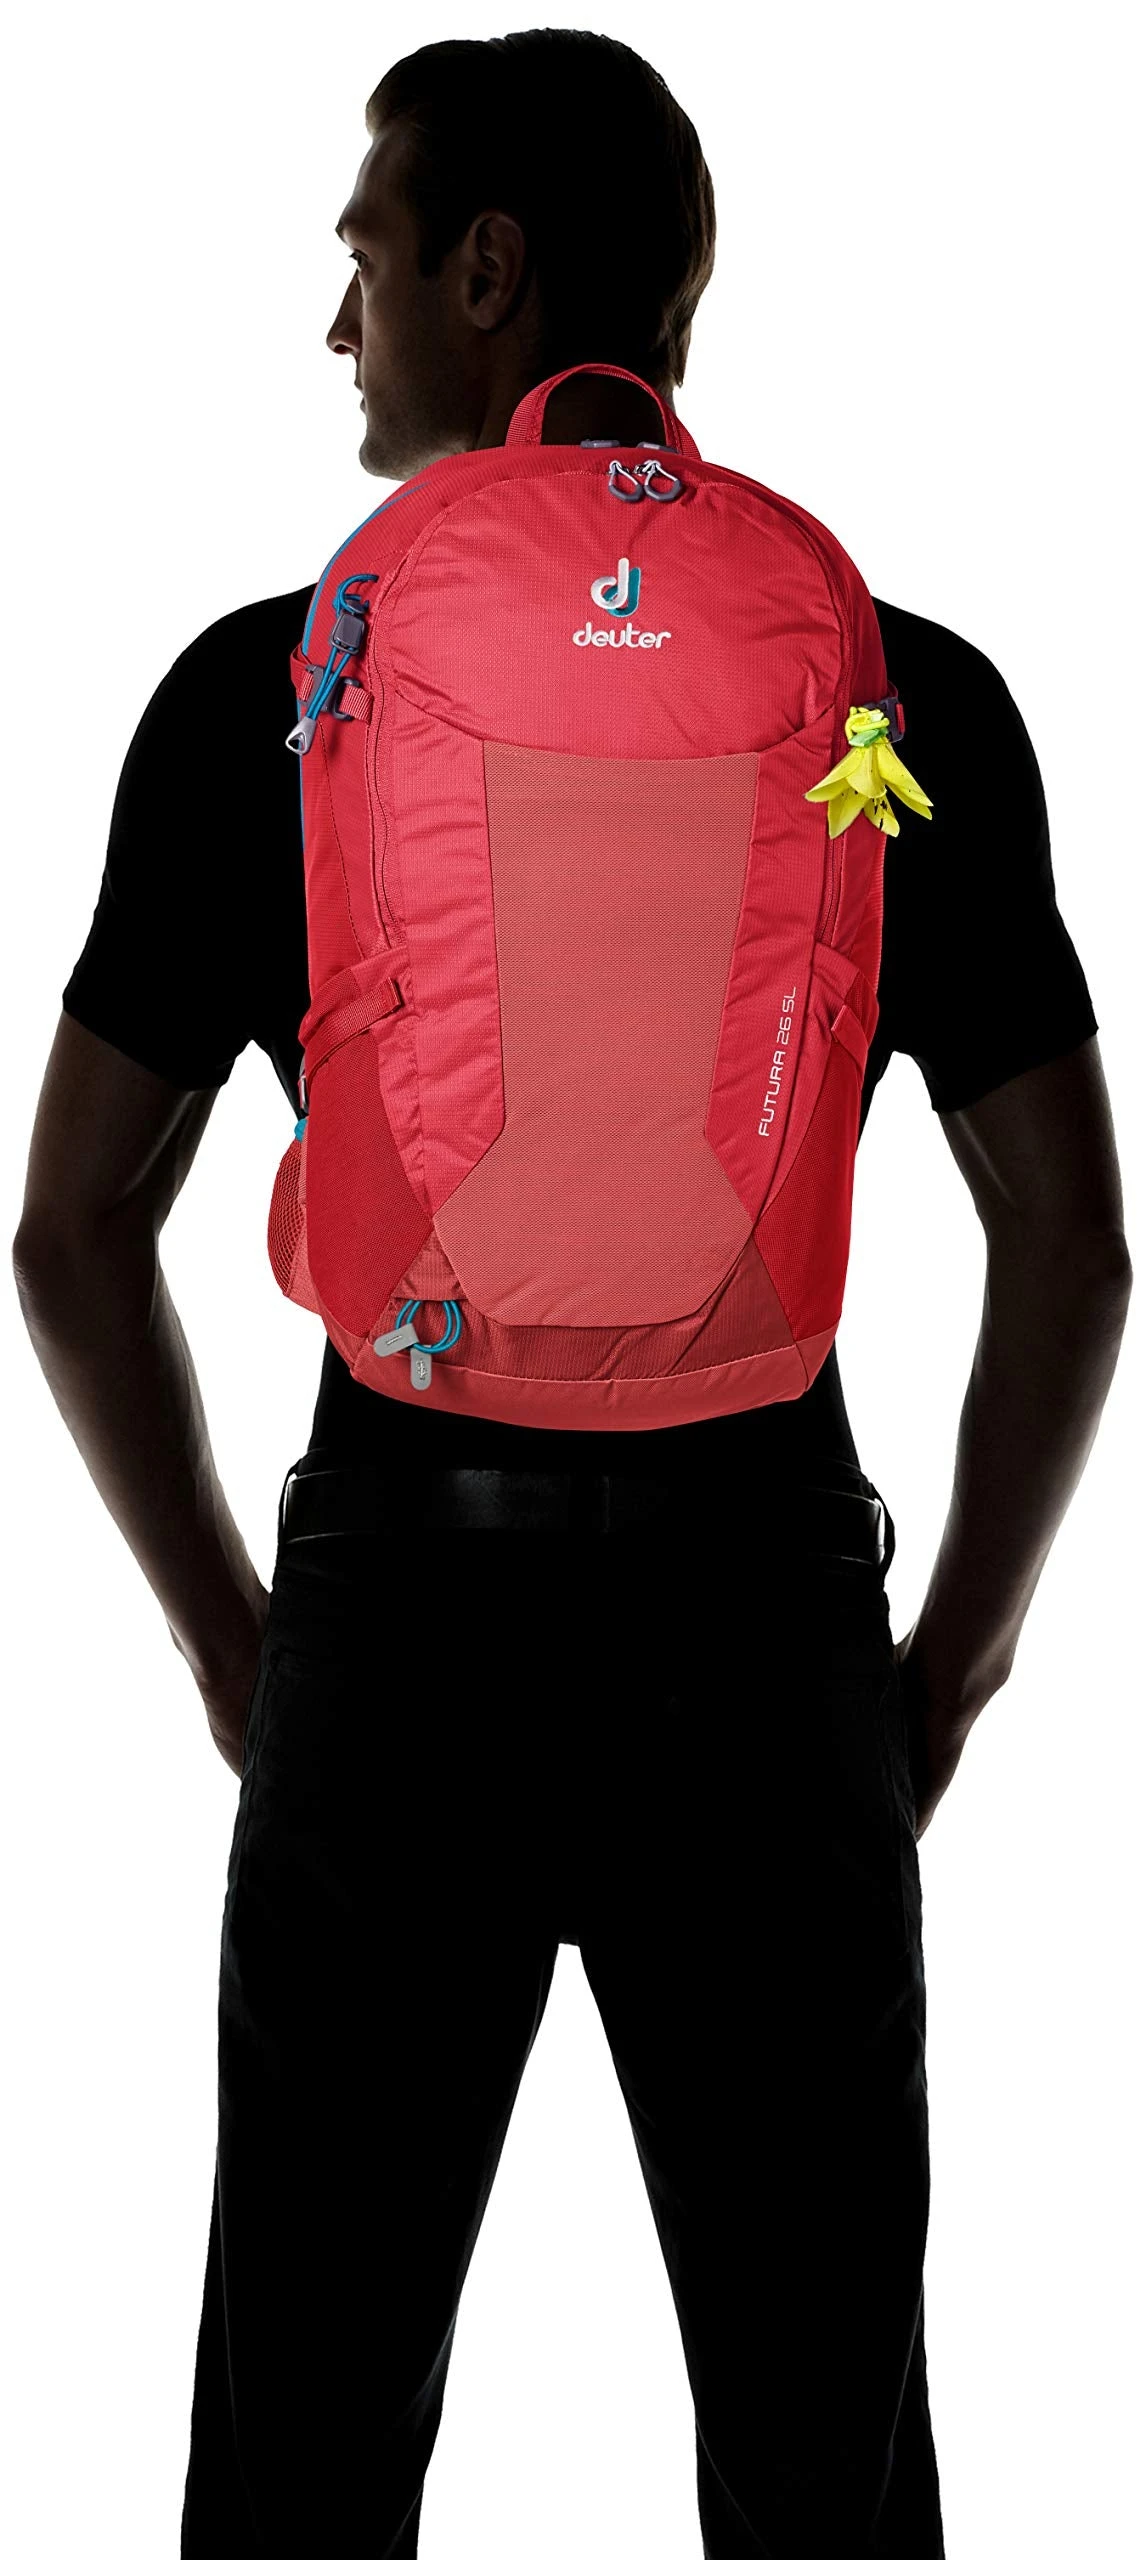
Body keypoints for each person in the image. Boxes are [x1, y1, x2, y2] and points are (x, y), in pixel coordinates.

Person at [11, 31, 1132, 2560]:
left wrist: (241, 1646)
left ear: (491, 272)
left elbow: (71, 1234)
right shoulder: (901, 690)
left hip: (399, 1601)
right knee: (822, 2424)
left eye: (368, 259)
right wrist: (942, 1668)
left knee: (304, 2423)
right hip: (764, 1603)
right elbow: (1073, 1241)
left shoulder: (271, 691)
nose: (340, 325)